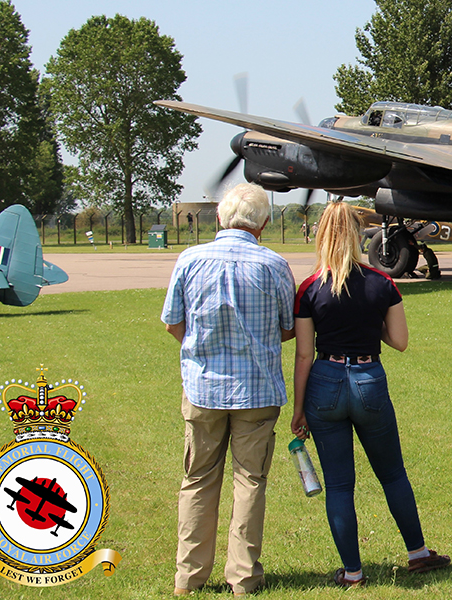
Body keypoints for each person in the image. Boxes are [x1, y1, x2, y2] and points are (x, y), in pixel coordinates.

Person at [290, 202, 450, 588]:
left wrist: (298, 410)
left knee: (340, 484)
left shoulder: (310, 288)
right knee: (392, 473)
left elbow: (303, 353)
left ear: (322, 236)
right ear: (359, 234)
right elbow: (399, 341)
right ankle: (416, 553)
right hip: (368, 379)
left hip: (325, 381)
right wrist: (370, 323)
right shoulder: (383, 283)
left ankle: (353, 573)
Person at [161, 183, 296, 596]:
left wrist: (201, 347)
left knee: (198, 479)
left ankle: (189, 576)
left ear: (219, 217)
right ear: (264, 223)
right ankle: (242, 576)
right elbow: (288, 327)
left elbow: (173, 321)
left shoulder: (190, 258)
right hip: (256, 390)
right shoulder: (273, 264)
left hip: (203, 387)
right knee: (249, 481)